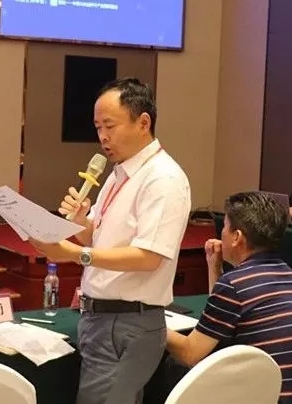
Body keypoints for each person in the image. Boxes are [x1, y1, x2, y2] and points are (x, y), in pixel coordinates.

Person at [30, 77, 191, 404]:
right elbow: (100, 239)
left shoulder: (163, 178)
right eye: (97, 127)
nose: (102, 136)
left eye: (110, 126)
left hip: (127, 321)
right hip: (102, 318)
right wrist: (81, 223)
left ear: (143, 122)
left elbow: (149, 257)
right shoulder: (120, 173)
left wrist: (76, 253)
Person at [166, 191, 292, 403]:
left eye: (224, 227)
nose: (221, 233)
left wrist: (149, 323)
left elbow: (190, 353)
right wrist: (214, 267)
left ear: (236, 237)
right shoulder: (289, 274)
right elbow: (223, 319)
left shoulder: (234, 285)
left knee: (171, 367)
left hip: (263, 397)